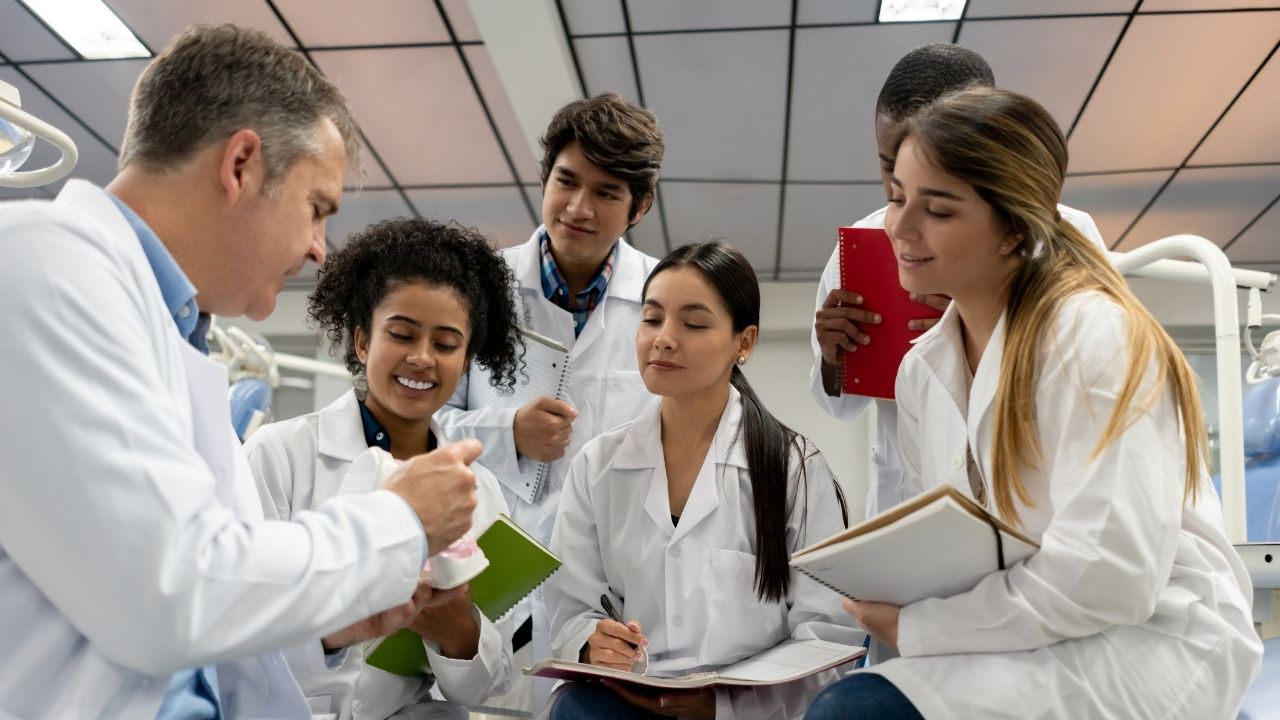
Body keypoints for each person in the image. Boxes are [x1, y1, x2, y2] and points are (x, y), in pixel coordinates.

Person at [0, 25, 481, 718]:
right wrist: (399, 521)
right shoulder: (43, 269)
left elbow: (205, 613)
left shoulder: (173, 339)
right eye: (317, 209)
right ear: (242, 165)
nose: (320, 249)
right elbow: (167, 592)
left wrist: (331, 624)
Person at [805, 87, 1262, 720]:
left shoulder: (1093, 334)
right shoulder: (920, 373)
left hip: (1147, 634)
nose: (899, 229)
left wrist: (920, 628)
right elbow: (953, 547)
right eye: (895, 198)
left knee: (855, 712)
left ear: (1013, 228)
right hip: (1027, 625)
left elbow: (1111, 578)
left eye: (936, 210)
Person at [545, 241, 860, 720]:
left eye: (693, 323)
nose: (664, 339)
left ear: (745, 342)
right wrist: (592, 643)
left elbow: (827, 634)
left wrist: (725, 705)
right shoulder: (599, 465)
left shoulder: (793, 467)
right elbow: (571, 606)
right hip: (628, 705)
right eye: (652, 319)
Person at [434, 92, 666, 703]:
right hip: (493, 562)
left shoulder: (663, 300)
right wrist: (506, 433)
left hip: (610, 582)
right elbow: (422, 419)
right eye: (566, 181)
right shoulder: (480, 286)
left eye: (607, 193)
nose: (579, 208)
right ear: (545, 178)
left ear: (638, 205)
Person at [810, 43, 1106, 519]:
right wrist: (832, 358)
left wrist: (978, 300)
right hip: (913, 500)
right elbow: (839, 405)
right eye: (890, 166)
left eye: (934, 186)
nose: (898, 211)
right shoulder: (864, 242)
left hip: (1033, 499)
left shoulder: (1069, 242)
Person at [245, 218, 522, 719]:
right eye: (401, 334)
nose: (421, 358)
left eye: (445, 344)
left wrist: (458, 632)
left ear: (465, 360)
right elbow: (241, 624)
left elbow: (489, 687)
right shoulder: (278, 455)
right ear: (363, 342)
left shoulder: (477, 489)